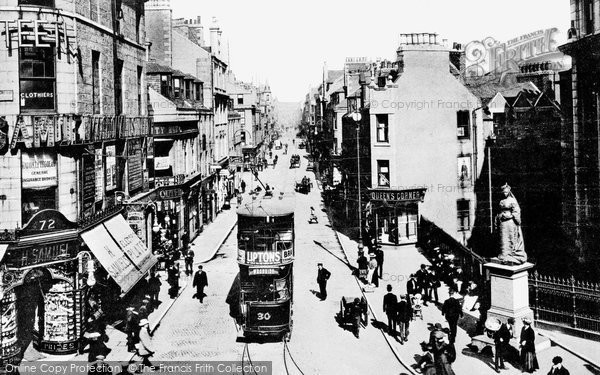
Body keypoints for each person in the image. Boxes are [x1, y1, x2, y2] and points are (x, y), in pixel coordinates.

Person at [495, 183, 527, 265]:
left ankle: (511, 254)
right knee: (503, 238)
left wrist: (510, 216)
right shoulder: (501, 201)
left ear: (509, 192)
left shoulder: (512, 200)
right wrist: (499, 217)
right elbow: (498, 211)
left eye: (506, 192)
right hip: (502, 223)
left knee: (510, 237)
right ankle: (504, 254)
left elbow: (516, 211)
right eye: (503, 192)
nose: (504, 194)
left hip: (510, 223)